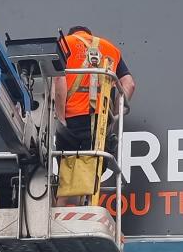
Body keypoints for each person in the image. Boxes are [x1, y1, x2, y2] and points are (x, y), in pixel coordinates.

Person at [52, 25, 135, 162]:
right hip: (101, 120)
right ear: (90, 35)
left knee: (68, 170)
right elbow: (129, 84)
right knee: (94, 170)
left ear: (72, 34)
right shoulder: (110, 48)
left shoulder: (64, 43)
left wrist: (60, 118)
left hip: (72, 119)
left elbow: (59, 78)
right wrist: (113, 116)